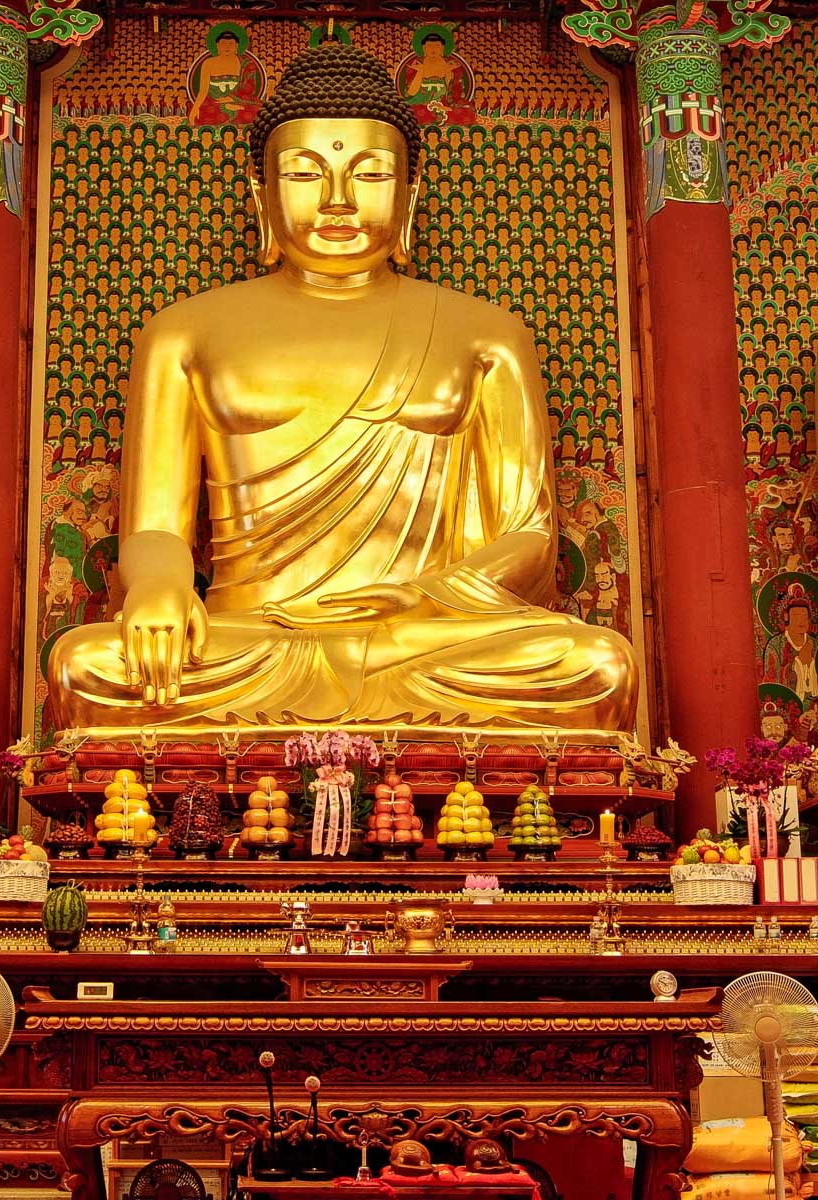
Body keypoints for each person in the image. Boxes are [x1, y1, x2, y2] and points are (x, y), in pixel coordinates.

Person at [48, 42, 637, 734]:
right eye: (304, 173)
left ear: (409, 195)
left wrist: (421, 600)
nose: (336, 200)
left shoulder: (486, 333)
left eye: (370, 173)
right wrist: (159, 585)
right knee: (85, 664)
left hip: (421, 636)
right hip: (252, 639)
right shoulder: (184, 332)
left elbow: (530, 538)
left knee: (597, 664)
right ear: (261, 198)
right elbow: (152, 527)